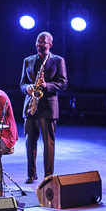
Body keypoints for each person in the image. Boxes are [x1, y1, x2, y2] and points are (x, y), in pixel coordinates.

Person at [20, 32, 67, 184]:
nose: (39, 44)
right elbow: (22, 84)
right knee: (30, 142)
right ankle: (31, 174)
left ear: (50, 44)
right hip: (30, 106)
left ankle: (48, 175)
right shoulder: (28, 60)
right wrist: (28, 88)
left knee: (48, 143)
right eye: (38, 42)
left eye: (43, 42)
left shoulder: (58, 60)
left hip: (48, 106)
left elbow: (63, 83)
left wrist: (47, 85)